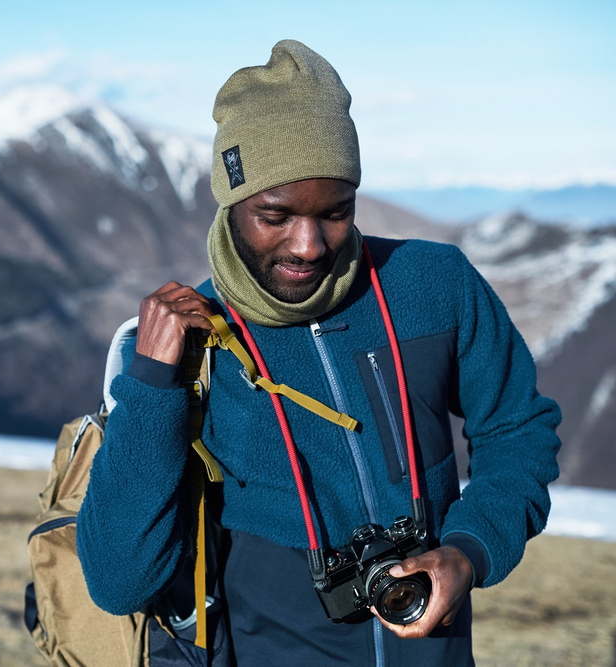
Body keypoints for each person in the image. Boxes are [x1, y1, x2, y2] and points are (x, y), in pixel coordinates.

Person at [76, 40, 561, 666]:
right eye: (274, 216)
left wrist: (469, 551)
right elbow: (121, 582)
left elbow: (518, 431)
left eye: (336, 212)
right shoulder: (191, 341)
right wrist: (150, 383)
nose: (308, 245)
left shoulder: (434, 284)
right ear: (231, 202)